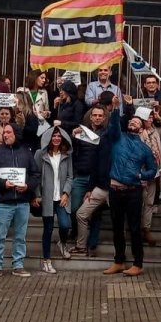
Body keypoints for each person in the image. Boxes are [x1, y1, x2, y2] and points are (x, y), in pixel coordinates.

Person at [102, 107, 159, 277]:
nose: (132, 122)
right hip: (115, 190)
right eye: (130, 121)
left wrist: (143, 175)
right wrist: (114, 109)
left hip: (133, 191)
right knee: (117, 227)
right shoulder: (118, 138)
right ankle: (119, 261)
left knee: (134, 228)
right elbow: (113, 126)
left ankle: (138, 264)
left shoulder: (145, 149)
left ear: (142, 128)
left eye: (136, 121)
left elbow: (153, 169)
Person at [0, 123, 40, 279]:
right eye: (4, 133)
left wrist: (28, 186)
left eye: (8, 132)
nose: (5, 135)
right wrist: (3, 184)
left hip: (22, 202)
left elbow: (35, 174)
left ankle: (18, 265)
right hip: (3, 202)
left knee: (20, 237)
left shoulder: (26, 153)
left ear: (16, 134)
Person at [72, 104, 109, 256]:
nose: (97, 118)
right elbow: (73, 152)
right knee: (74, 208)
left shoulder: (106, 134)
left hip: (98, 179)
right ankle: (78, 234)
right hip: (81, 176)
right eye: (95, 115)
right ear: (90, 116)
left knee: (96, 213)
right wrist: (74, 137)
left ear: (104, 117)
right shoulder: (82, 132)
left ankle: (91, 244)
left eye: (100, 115)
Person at [34, 127, 73, 274]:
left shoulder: (67, 155)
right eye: (53, 136)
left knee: (65, 225)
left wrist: (66, 193)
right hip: (47, 198)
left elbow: (70, 177)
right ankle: (46, 261)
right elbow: (35, 175)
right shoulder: (40, 154)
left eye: (59, 136)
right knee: (48, 229)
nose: (56, 138)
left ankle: (62, 243)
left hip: (61, 197)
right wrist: (37, 194)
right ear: (48, 138)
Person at [136, 107, 161, 246]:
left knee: (150, 202)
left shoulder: (155, 131)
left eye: (151, 117)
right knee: (140, 201)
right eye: (148, 117)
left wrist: (159, 118)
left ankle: (146, 228)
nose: (150, 119)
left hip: (155, 170)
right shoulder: (136, 133)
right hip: (141, 172)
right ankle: (136, 229)